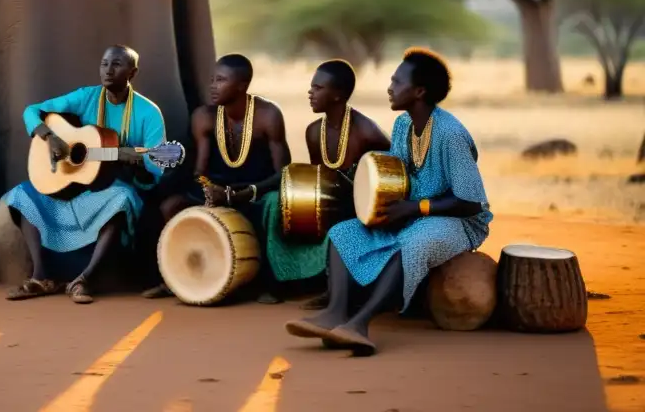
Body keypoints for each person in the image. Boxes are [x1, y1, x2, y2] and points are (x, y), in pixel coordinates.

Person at [285, 47, 492, 356]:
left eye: (397, 82)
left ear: (419, 91)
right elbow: (395, 177)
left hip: (458, 222)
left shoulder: (450, 133)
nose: (389, 88)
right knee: (345, 233)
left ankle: (360, 324)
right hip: (414, 213)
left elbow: (471, 202)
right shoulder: (402, 126)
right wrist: (381, 206)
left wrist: (416, 208)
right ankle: (335, 313)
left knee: (413, 243)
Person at [2, 45, 166, 305]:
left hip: (111, 189)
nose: (108, 70)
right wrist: (50, 136)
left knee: (122, 199)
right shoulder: (86, 97)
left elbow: (158, 169)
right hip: (72, 186)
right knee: (21, 194)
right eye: (104, 63)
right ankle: (41, 277)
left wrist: (133, 159)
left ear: (132, 72)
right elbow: (30, 111)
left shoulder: (147, 113)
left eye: (116, 64)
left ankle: (85, 279)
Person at [141, 54, 291, 303]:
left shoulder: (268, 116)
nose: (212, 86)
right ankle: (174, 278)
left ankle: (268, 283)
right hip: (217, 188)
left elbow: (283, 174)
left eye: (221, 80)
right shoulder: (204, 116)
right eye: (212, 80)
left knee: (275, 205)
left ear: (242, 85)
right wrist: (211, 191)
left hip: (257, 192)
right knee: (171, 206)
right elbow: (199, 171)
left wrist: (243, 193)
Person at [263, 59, 391, 294]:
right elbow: (318, 179)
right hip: (330, 202)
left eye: (318, 88)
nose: (310, 93)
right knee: (278, 205)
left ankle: (332, 288)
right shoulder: (314, 132)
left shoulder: (366, 132)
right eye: (312, 87)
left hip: (360, 208)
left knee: (340, 222)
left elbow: (391, 176)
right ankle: (283, 280)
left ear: (338, 95)